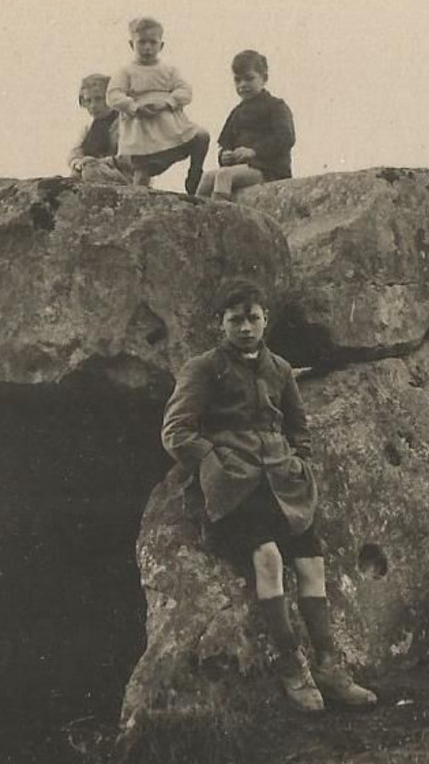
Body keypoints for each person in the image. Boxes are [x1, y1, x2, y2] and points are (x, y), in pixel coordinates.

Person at [160, 281, 377, 712]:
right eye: (235, 319)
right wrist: (213, 463)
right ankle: (292, 667)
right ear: (219, 323)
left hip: (284, 481)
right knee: (269, 560)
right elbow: (176, 430)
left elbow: (299, 428)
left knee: (312, 565)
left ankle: (331, 669)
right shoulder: (204, 368)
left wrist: (300, 462)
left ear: (265, 321)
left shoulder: (279, 368)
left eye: (253, 318)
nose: (245, 328)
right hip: (237, 483)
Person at [106, 17, 210, 196]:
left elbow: (185, 91)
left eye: (153, 42)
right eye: (142, 42)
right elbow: (113, 95)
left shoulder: (169, 70)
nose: (147, 48)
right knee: (142, 173)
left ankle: (195, 175)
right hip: (143, 134)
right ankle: (138, 203)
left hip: (171, 129)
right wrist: (134, 107)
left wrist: (168, 102)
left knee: (201, 136)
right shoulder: (126, 72)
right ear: (132, 44)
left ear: (161, 45)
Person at [197, 49, 296, 201]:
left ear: (264, 78)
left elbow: (286, 138)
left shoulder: (275, 106)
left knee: (224, 175)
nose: (243, 85)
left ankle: (219, 215)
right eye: (238, 80)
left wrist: (254, 151)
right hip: (242, 169)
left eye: (249, 79)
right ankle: (196, 217)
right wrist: (225, 155)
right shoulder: (237, 112)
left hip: (269, 169)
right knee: (207, 178)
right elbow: (225, 144)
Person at [67, 73, 132, 185]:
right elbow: (75, 152)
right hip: (92, 168)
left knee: (91, 172)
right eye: (88, 101)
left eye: (99, 99)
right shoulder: (89, 127)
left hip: (124, 176)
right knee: (74, 177)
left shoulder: (125, 123)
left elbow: (130, 158)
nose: (93, 105)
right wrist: (78, 163)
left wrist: (99, 162)